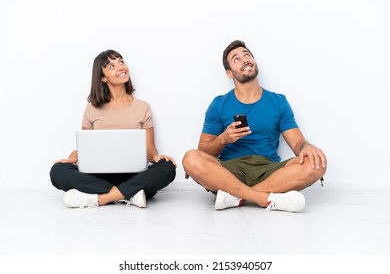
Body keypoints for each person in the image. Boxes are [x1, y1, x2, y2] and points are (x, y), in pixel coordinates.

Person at [182, 40, 326, 212]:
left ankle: (236, 196)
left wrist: (307, 147)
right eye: (236, 59)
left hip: (269, 170)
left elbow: (297, 144)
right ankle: (263, 198)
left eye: (247, 55)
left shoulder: (278, 101)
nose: (245, 60)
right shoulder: (219, 104)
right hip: (230, 171)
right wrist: (223, 139)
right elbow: (203, 152)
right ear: (229, 73)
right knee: (190, 158)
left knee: (316, 163)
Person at [50, 50, 176, 209]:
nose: (120, 67)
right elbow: (85, 147)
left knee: (167, 167)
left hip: (132, 175)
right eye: (111, 66)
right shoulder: (92, 108)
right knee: (57, 171)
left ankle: (100, 198)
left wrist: (157, 157)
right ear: (103, 78)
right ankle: (130, 194)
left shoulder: (143, 107)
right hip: (99, 175)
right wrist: (71, 158)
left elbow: (150, 148)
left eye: (121, 62)